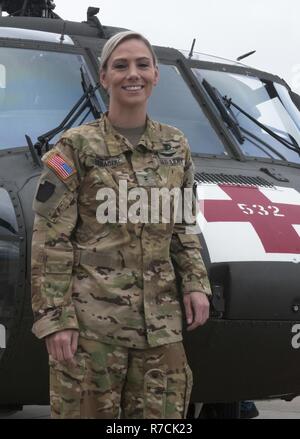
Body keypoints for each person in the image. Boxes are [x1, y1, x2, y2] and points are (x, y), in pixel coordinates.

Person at [31, 30, 212, 419]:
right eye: (121, 65)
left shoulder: (175, 145)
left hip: (161, 329)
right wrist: (55, 319)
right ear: (104, 77)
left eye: (142, 64)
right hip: (92, 329)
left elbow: (184, 224)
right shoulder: (76, 147)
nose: (134, 74)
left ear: (156, 74)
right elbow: (51, 239)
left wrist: (196, 283)